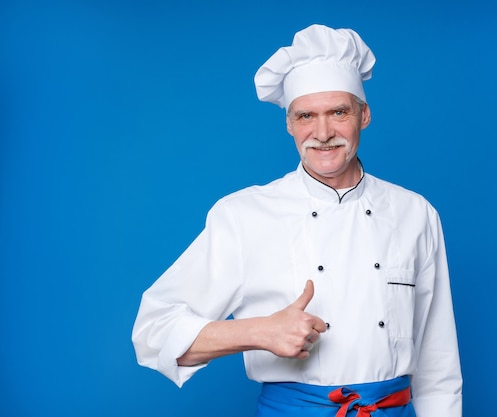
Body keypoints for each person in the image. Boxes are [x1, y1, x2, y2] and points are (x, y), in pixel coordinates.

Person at [132, 24, 462, 417]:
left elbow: (438, 366)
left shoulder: (415, 213)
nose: (322, 133)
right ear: (289, 123)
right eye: (306, 115)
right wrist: (256, 331)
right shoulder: (244, 215)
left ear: (364, 115)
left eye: (338, 112)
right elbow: (153, 333)